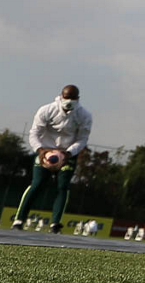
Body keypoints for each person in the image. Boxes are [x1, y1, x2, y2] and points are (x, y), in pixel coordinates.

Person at [11, 85, 92, 234]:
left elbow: (82, 139)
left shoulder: (84, 115)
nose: (69, 101)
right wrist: (41, 150)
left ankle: (55, 224)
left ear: (78, 99)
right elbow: (34, 133)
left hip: (67, 155)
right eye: (66, 97)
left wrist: (68, 153)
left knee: (63, 186)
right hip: (45, 153)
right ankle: (19, 219)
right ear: (61, 96)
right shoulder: (46, 110)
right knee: (37, 184)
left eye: (72, 98)